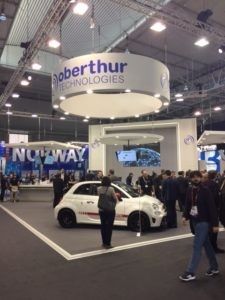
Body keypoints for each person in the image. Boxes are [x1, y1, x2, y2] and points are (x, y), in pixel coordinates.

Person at [179, 171, 219, 282]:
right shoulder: (190, 190)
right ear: (190, 179)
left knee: (197, 246)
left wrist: (215, 224)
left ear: (201, 178)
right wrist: (184, 216)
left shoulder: (206, 191)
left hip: (204, 222)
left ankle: (190, 272)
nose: (195, 179)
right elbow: (187, 204)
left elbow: (212, 208)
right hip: (194, 221)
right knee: (207, 245)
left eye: (198, 177)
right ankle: (214, 267)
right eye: (193, 177)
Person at [204, 171, 225, 253]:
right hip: (213, 210)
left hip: (205, 210)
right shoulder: (215, 185)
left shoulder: (204, 184)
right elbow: (216, 198)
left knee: (208, 228)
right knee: (213, 229)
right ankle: (213, 248)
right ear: (215, 175)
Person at [97, 176, 118, 249]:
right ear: (109, 182)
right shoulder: (111, 189)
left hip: (101, 210)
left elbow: (100, 197)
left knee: (103, 226)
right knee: (109, 227)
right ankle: (108, 243)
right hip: (110, 210)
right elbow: (115, 199)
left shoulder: (99, 189)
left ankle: (103, 243)